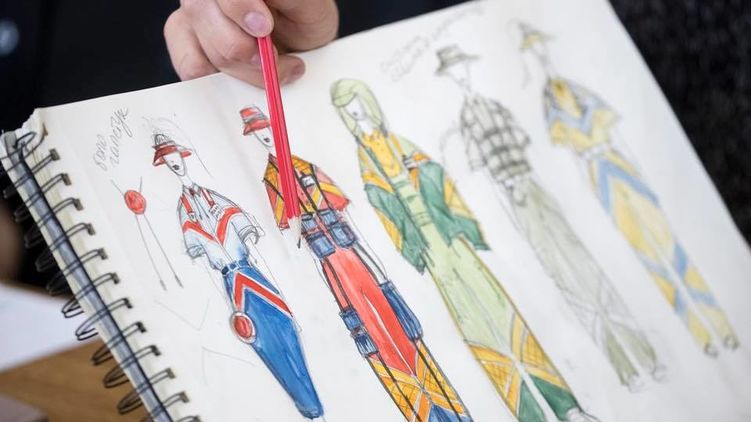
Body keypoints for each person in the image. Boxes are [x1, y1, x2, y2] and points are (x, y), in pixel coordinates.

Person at [331, 79, 597, 422]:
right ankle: (530, 417)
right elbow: (383, 209)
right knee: (474, 330)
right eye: (348, 112)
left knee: (504, 313)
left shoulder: (398, 142)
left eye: (357, 107)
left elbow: (438, 178)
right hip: (430, 252)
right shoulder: (364, 158)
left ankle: (568, 408)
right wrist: (413, 246)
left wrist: (441, 203)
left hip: (450, 237)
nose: (356, 115)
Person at [435, 45, 665, 390]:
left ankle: (647, 357)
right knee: (564, 278)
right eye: (453, 72)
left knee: (586, 265)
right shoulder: (466, 120)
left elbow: (528, 150)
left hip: (534, 186)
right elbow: (487, 177)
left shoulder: (495, 106)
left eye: (461, 68)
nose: (460, 75)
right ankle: (625, 369)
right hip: (515, 196)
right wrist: (514, 214)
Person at [517, 22, 739, 355]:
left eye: (541, 45)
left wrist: (640, 174)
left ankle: (721, 326)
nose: (539, 53)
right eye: (532, 49)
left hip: (618, 164)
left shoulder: (579, 90)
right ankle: (702, 336)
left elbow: (617, 134)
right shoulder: (549, 103)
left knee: (671, 246)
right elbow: (571, 155)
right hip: (598, 173)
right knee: (647, 255)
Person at [241, 105, 471, 421]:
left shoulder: (308, 168)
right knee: (370, 333)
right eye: (258, 133)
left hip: (354, 255)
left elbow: (346, 217)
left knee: (398, 323)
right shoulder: (271, 181)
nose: (265, 136)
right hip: (331, 266)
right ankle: (417, 411)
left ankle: (450, 409)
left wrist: (380, 272)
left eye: (266, 129)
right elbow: (295, 237)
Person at [151, 133, 325, 419]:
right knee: (260, 339)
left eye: (175, 158)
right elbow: (195, 251)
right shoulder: (184, 209)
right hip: (231, 281)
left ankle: (312, 399)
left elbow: (242, 223)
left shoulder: (213, 197)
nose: (175, 164)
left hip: (250, 272)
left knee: (284, 324)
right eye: (169, 162)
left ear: (182, 157)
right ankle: (306, 405)